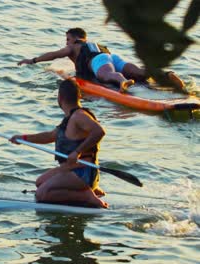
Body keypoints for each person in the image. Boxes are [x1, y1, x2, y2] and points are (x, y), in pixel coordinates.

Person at [10, 79, 108, 208]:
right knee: (40, 182)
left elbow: (99, 131)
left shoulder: (79, 116)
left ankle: (87, 196)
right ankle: (89, 190)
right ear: (79, 96)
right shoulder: (70, 118)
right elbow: (50, 136)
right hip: (71, 170)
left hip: (82, 172)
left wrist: (77, 152)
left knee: (41, 195)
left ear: (60, 98)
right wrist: (22, 138)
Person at [18, 27, 185, 93]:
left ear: (75, 38)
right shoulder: (94, 44)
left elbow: (53, 54)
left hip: (99, 61)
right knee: (141, 73)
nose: (66, 43)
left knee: (107, 75)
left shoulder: (72, 47)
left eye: (67, 39)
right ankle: (166, 75)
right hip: (113, 57)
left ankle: (122, 82)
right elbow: (106, 58)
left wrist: (32, 60)